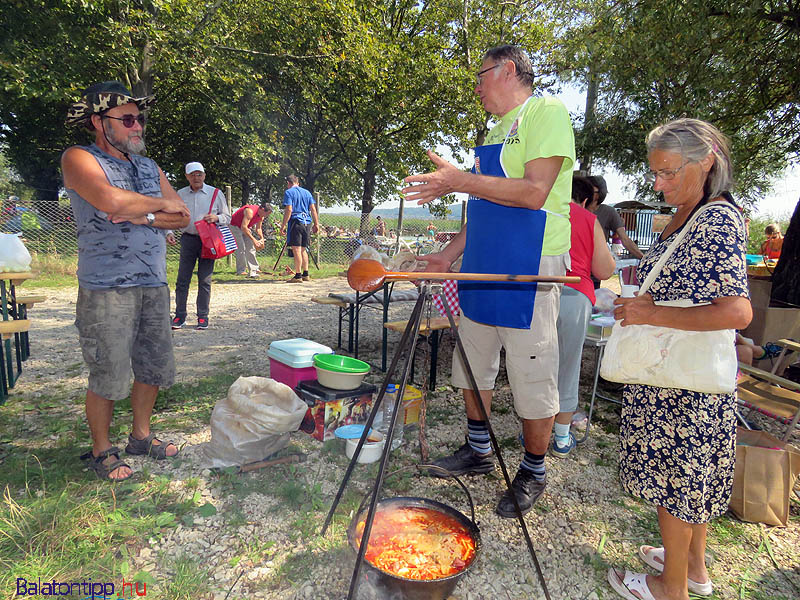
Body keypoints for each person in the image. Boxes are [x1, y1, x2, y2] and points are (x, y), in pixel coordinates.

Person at [402, 45, 575, 517]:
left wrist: (460, 181)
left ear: (509, 70)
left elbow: (534, 193)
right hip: (483, 259)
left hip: (531, 260)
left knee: (530, 368)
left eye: (481, 75)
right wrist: (446, 254)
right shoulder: (496, 131)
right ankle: (478, 451)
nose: (476, 86)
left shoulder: (546, 111)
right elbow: (483, 208)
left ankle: (534, 470)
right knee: (472, 360)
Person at [606, 118, 751, 600]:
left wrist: (650, 310)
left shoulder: (715, 220)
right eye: (656, 173)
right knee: (691, 480)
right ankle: (691, 567)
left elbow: (737, 310)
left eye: (668, 172)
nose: (658, 183)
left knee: (678, 482)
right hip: (678, 374)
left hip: (682, 383)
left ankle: (670, 588)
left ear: (706, 161)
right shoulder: (692, 214)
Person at [62, 81, 190, 481]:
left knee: (152, 367)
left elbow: (183, 216)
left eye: (140, 118)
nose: (138, 126)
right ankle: (102, 450)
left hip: (152, 282)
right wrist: (158, 205)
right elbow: (110, 201)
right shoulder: (79, 158)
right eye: (129, 119)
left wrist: (144, 215)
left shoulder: (149, 166)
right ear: (101, 122)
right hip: (106, 287)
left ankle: (141, 436)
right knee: (109, 371)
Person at [551, 175, 616, 457]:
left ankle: (534, 430)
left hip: (538, 294)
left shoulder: (541, 211)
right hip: (575, 295)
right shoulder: (588, 220)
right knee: (568, 365)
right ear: (587, 199)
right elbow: (604, 270)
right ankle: (561, 438)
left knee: (537, 364)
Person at [170, 162, 231, 330]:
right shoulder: (180, 194)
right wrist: (169, 232)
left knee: (205, 279)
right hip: (188, 239)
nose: (196, 178)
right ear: (187, 176)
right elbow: (172, 215)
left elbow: (227, 217)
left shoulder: (215, 193)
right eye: (192, 174)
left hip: (208, 241)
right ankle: (179, 316)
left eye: (199, 174)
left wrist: (216, 218)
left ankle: (202, 316)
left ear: (204, 175)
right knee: (182, 280)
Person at [586, 174, 644, 259]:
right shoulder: (575, 209)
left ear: (599, 193)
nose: (584, 193)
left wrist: (644, 260)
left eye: (589, 190)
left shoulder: (609, 212)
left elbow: (625, 240)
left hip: (597, 261)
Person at [280, 174, 319, 282]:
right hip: (307, 222)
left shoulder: (288, 192)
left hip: (296, 222)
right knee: (303, 249)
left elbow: (289, 209)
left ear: (288, 183)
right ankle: (305, 273)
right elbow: (313, 209)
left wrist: (283, 225)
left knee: (296, 249)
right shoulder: (306, 192)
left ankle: (298, 275)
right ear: (298, 182)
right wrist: (316, 224)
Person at [230, 202, 271, 278]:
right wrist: (254, 240)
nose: (266, 216)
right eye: (266, 214)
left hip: (245, 227)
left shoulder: (261, 216)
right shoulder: (250, 211)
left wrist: (261, 239)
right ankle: (241, 270)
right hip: (235, 226)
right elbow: (243, 227)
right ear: (262, 209)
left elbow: (258, 228)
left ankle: (254, 269)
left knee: (251, 248)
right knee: (241, 248)